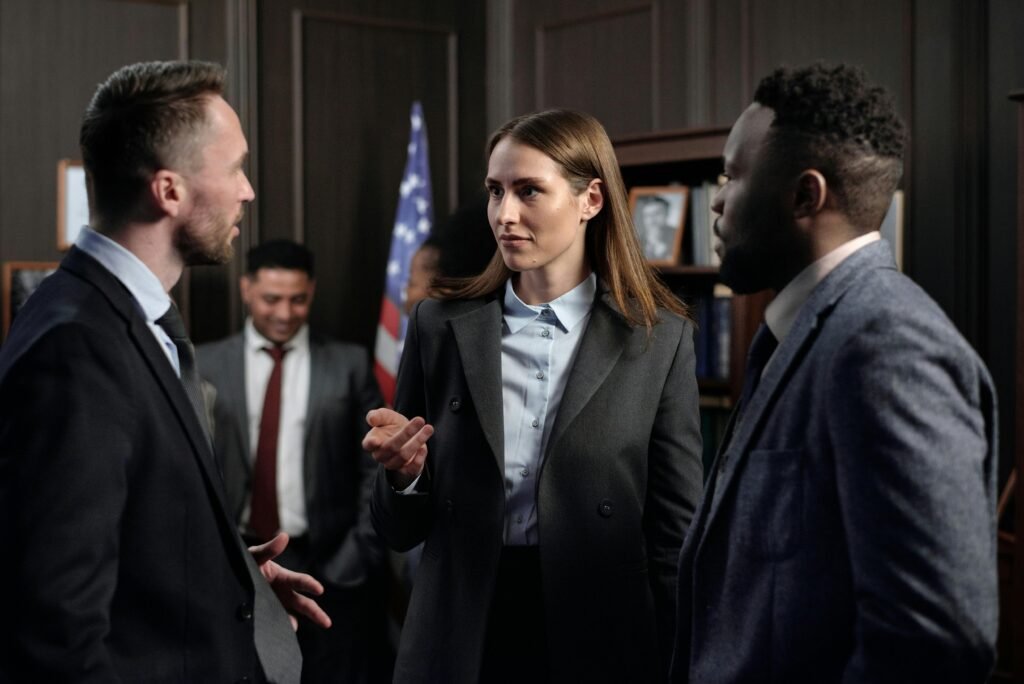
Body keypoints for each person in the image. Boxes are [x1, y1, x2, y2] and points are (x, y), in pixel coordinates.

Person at [0, 60, 329, 683]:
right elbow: (56, 628)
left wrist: (223, 577)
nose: (247, 191)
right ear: (169, 191)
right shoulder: (76, 345)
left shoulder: (121, 316)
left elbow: (124, 530)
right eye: (234, 168)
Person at [671, 63, 998, 682]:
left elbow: (934, 639)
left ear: (805, 196)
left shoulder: (887, 344)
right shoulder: (796, 333)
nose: (715, 199)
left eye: (733, 176)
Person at [364, 108, 703, 683]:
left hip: (600, 635)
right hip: (461, 633)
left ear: (590, 199)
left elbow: (675, 537)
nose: (505, 214)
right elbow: (398, 531)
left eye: (528, 191)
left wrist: (683, 663)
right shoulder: (438, 326)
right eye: (495, 191)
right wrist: (405, 476)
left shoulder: (659, 340)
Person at [197, 239, 388, 683]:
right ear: (246, 289)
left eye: (297, 299)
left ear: (312, 292)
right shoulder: (203, 364)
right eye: (271, 299)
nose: (284, 313)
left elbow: (374, 466)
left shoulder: (349, 364)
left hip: (328, 566)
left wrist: (354, 558)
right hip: (237, 563)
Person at [636, 194, 676, 260]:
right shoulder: (637, 242)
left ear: (667, 214)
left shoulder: (677, 235)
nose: (652, 220)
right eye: (647, 215)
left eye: (657, 213)